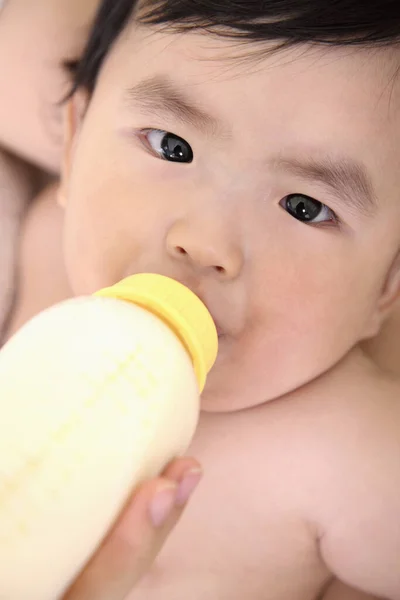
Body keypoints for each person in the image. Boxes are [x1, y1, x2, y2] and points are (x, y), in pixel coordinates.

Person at [2, 0, 400, 598]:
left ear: (387, 289)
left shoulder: (354, 459)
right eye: (170, 146)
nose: (204, 242)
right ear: (74, 142)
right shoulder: (37, 244)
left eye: (304, 207)